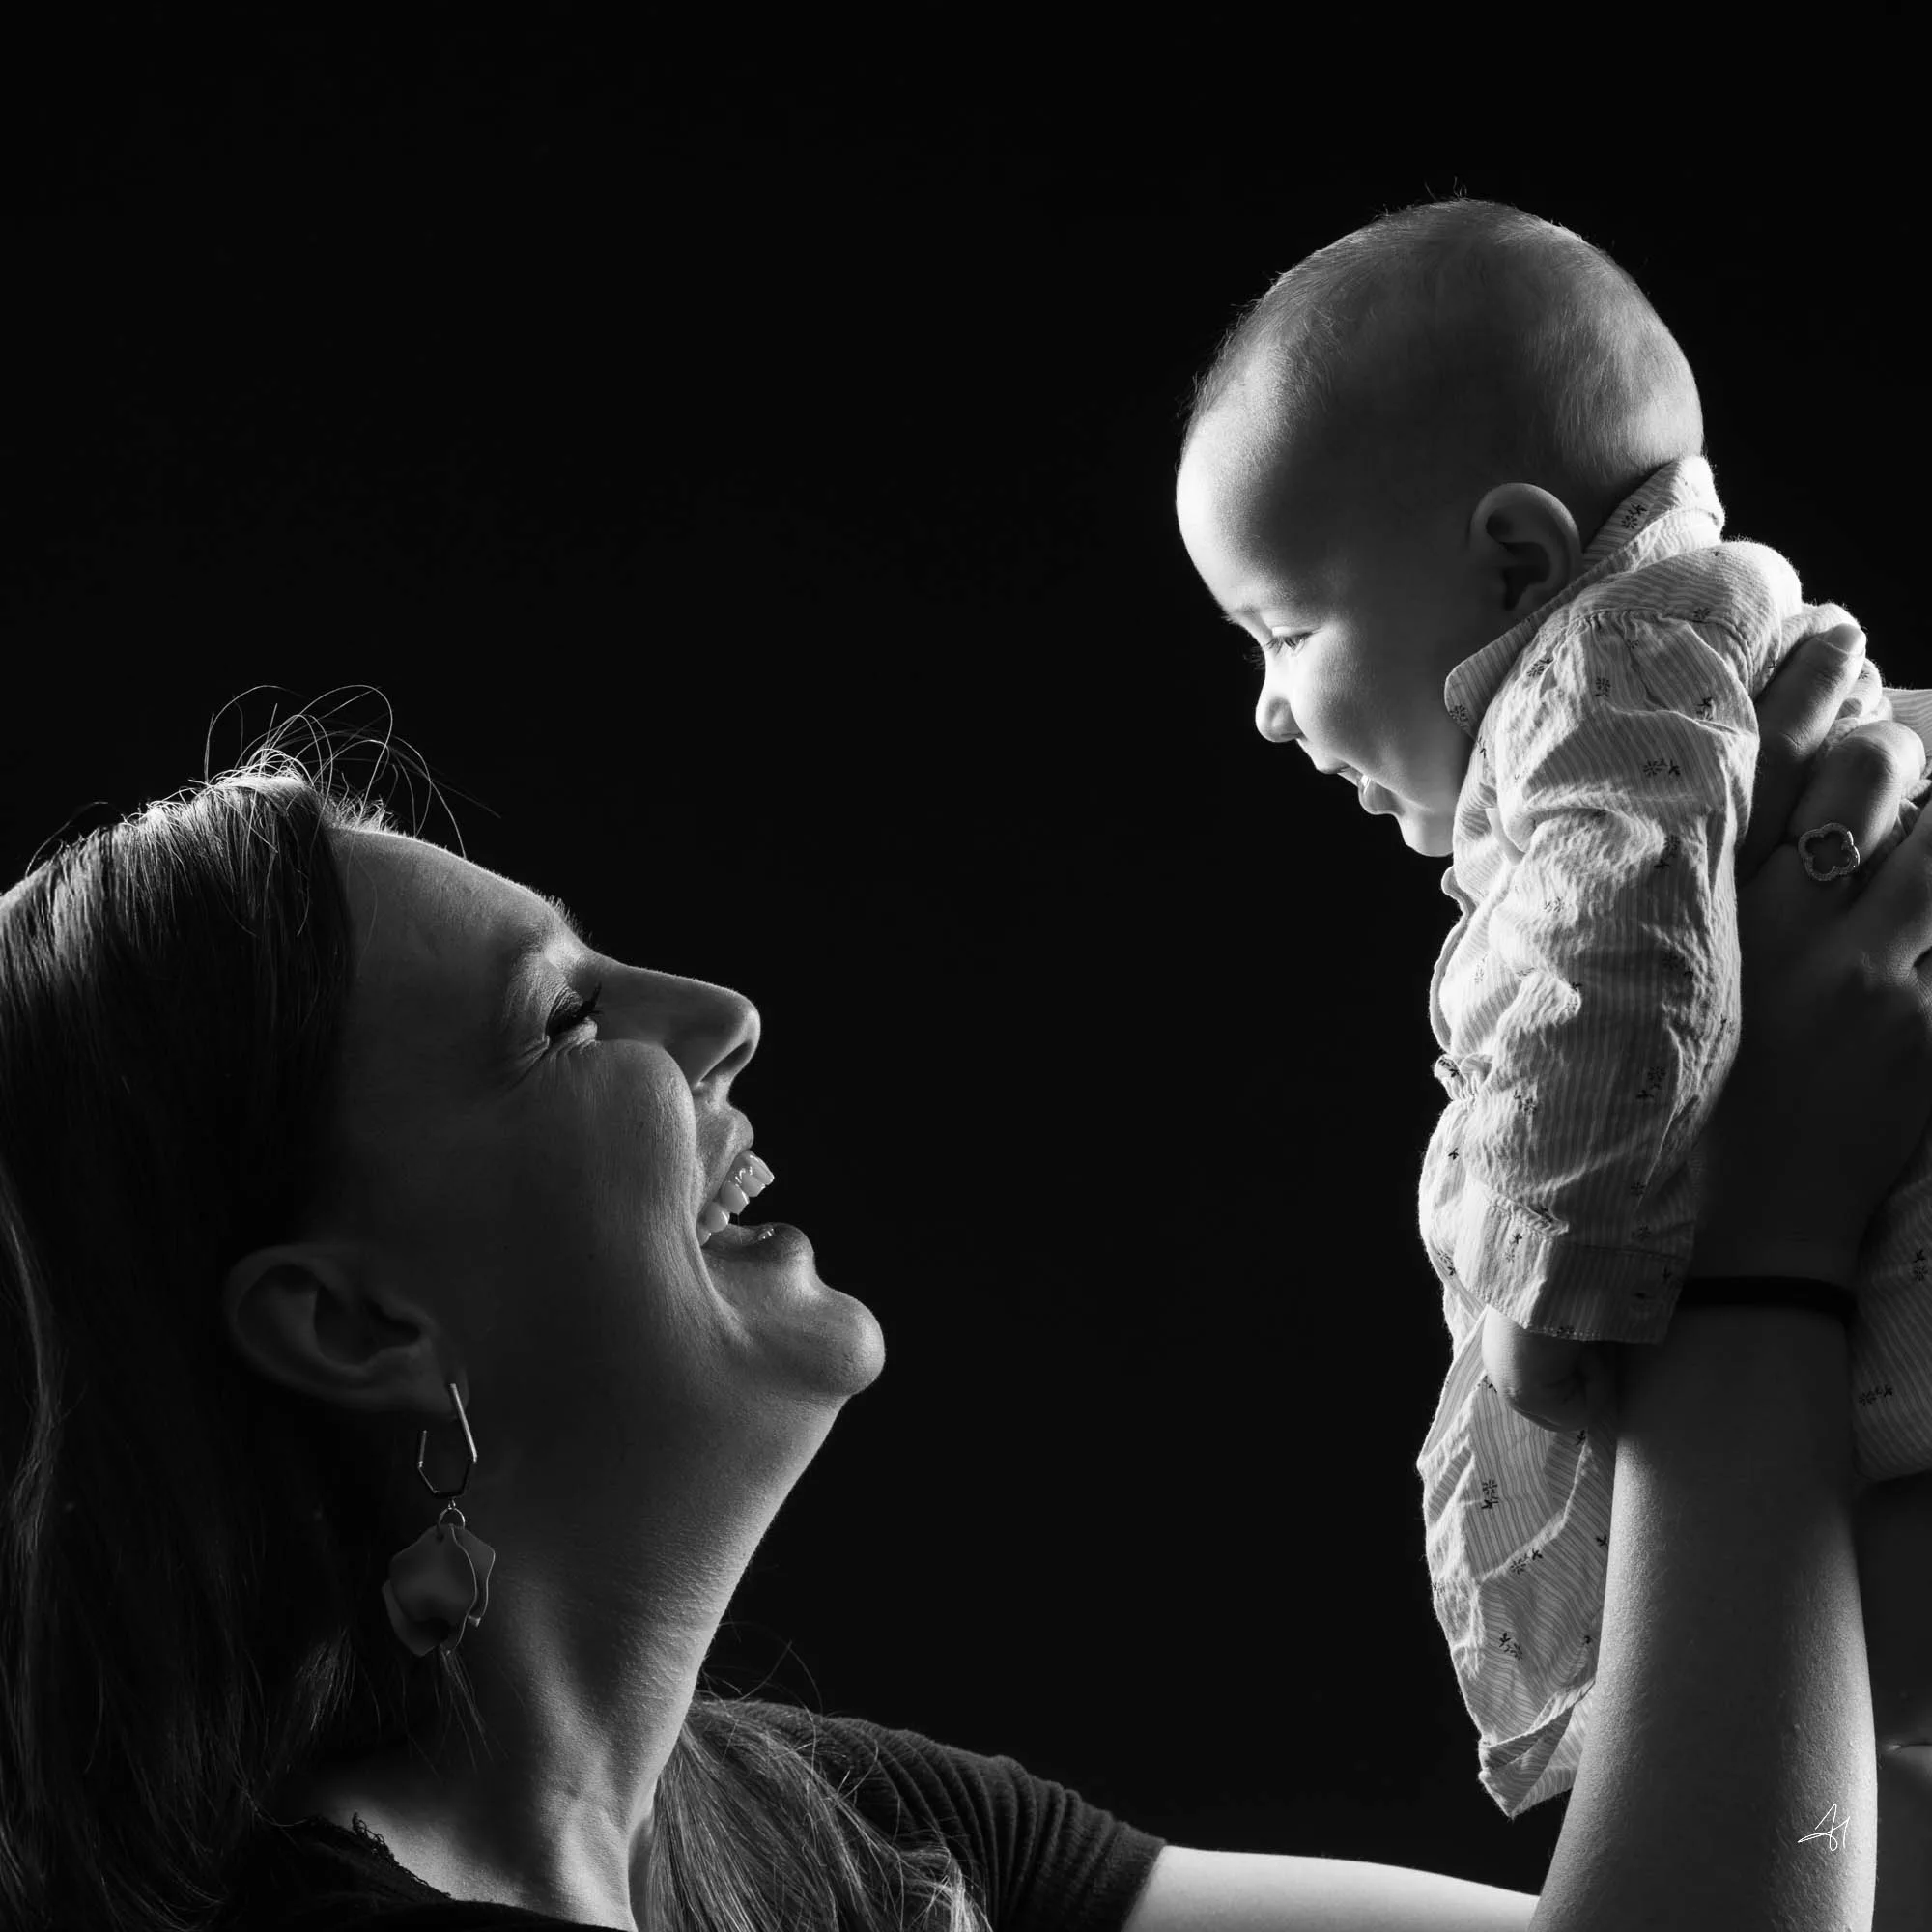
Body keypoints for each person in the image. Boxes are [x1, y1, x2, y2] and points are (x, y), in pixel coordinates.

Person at [0, 651, 1921, 1932]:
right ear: (354, 1325)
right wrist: (1738, 1228)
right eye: (561, 1021)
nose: (723, 1016)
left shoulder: (843, 1836)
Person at [1173, 192, 1932, 1830]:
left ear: (1515, 559)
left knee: (1793, 1739)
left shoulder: (1606, 685)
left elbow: (1623, 966)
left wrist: (1551, 1279)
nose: (1269, 712)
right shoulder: (1694, 672)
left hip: (1871, 1364)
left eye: (1286, 631)